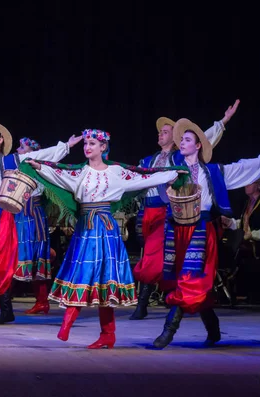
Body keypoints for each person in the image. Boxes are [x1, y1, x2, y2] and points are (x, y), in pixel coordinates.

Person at [25, 128, 183, 349]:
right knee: (83, 273)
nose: (87, 147)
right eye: (86, 144)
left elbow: (145, 176)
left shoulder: (117, 172)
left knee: (104, 282)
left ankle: (105, 334)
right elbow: (57, 174)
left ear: (103, 147)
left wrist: (174, 173)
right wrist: (39, 166)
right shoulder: (79, 172)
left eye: (92, 143)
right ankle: (72, 323)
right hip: (85, 228)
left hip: (105, 228)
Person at [152, 118, 260, 349]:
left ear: (198, 146)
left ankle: (168, 330)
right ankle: (214, 330)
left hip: (201, 229)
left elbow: (242, 168)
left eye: (187, 140)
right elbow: (154, 182)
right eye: (182, 140)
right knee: (187, 280)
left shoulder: (213, 172)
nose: (182, 143)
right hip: (178, 230)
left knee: (190, 278)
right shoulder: (174, 171)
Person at [0, 119, 80, 324]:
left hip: (3, 215)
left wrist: (66, 146)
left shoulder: (13, 160)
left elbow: (40, 155)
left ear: (1, 140)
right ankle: (6, 310)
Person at [131, 99, 239, 320]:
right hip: (149, 215)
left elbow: (205, 138)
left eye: (166, 131)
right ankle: (199, 314)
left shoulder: (179, 159)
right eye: (160, 131)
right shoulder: (148, 160)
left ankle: (153, 307)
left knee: (161, 263)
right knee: (169, 262)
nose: (161, 134)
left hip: (173, 213)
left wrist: (223, 121)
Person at [0, 136, 66, 315]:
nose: (18, 151)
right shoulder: (16, 167)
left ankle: (41, 301)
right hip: (18, 213)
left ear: (31, 153)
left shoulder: (40, 171)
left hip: (33, 215)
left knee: (33, 256)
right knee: (11, 255)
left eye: (22, 148)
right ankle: (0, 300)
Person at [221, 178, 260, 304]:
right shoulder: (250, 202)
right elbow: (245, 224)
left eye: (250, 182)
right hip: (251, 244)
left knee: (238, 252)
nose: (246, 185)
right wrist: (231, 223)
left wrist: (251, 235)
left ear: (259, 185)